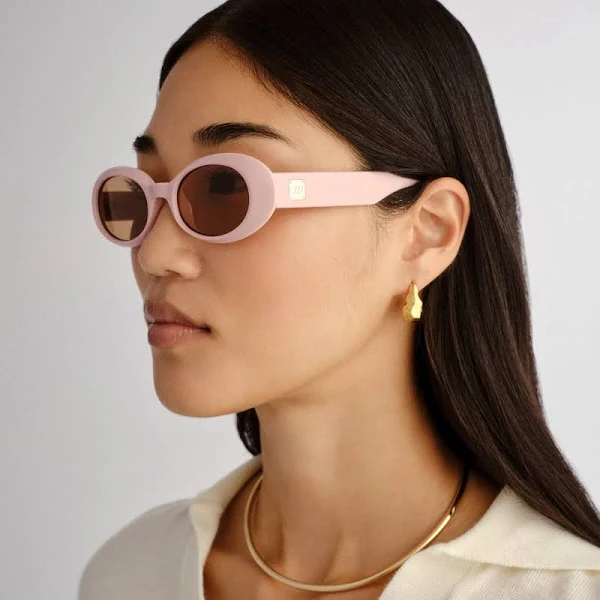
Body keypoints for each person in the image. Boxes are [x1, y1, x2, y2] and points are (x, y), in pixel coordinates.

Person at [80, 0, 600, 598]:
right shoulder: (131, 573)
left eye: (225, 189)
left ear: (427, 232)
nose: (154, 253)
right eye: (140, 194)